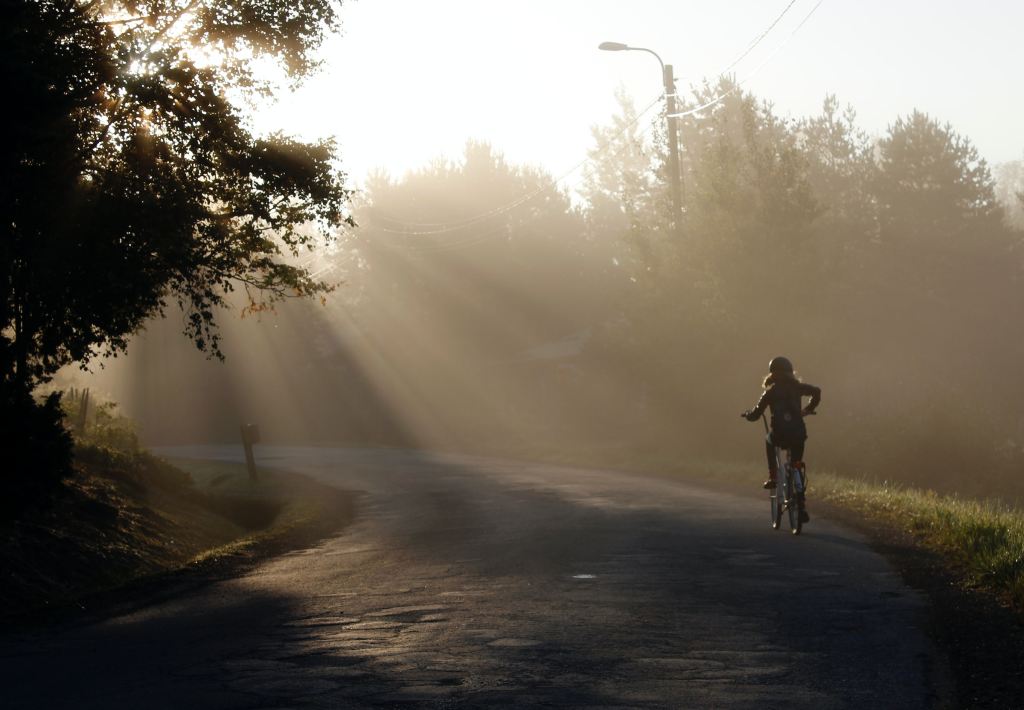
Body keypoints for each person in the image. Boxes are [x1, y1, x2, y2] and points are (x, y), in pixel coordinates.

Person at [741, 356, 821, 522]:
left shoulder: (770, 393)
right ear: (791, 372)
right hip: (798, 434)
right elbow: (817, 391)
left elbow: (756, 414)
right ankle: (801, 504)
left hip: (779, 435)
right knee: (796, 464)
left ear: (773, 374)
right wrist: (807, 409)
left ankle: (773, 476)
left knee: (768, 440)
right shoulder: (798, 387)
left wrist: (748, 415)